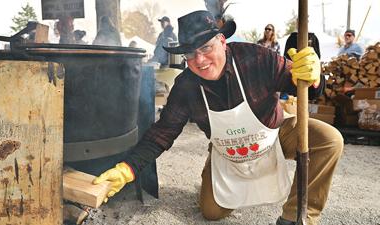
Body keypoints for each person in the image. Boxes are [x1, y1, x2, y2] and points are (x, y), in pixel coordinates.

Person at [93, 10, 343, 225]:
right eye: (190, 54)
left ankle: (296, 217)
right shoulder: (186, 86)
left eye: (206, 48)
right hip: (228, 151)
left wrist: (314, 77)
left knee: (329, 139)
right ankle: (214, 173)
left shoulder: (256, 58)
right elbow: (163, 133)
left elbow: (303, 85)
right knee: (211, 212)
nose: (199, 60)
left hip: (274, 133)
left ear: (222, 41)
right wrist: (127, 169)